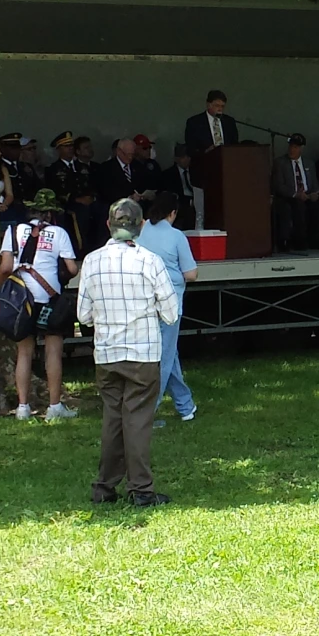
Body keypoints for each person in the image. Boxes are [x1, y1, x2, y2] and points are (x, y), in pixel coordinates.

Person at [76, 197, 180, 505]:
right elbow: (171, 313)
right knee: (137, 420)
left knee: (113, 418)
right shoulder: (149, 261)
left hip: (107, 353)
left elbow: (83, 315)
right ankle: (142, 490)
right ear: (141, 226)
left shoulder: (92, 261)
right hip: (142, 353)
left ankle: (104, 487)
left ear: (109, 225)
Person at [0, 188, 82, 421]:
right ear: (51, 214)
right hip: (49, 299)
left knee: (24, 352)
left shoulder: (13, 231)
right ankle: (54, 406)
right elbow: (72, 269)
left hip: (21, 300)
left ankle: (23, 407)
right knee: (52, 352)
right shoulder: (59, 233)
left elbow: (5, 268)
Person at [135, 194, 200, 423]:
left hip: (144, 302)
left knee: (170, 355)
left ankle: (185, 405)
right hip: (170, 304)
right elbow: (191, 274)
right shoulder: (176, 236)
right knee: (164, 357)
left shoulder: (142, 232)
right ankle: (147, 412)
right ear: (172, 213)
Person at [270, 133, 318, 252]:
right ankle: (295, 240)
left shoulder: (309, 163)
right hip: (287, 197)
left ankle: (317, 239)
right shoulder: (280, 163)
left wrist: (315, 193)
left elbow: (315, 183)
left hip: (306, 195)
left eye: (296, 147)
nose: (292, 149)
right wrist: (296, 194)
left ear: (302, 148)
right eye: (291, 146)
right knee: (296, 207)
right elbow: (279, 185)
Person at [183, 89, 237, 157]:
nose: (220, 109)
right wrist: (206, 151)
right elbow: (190, 148)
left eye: (222, 106)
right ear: (208, 105)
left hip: (227, 161)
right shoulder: (194, 122)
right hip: (204, 162)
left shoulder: (229, 121)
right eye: (217, 105)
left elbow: (235, 145)